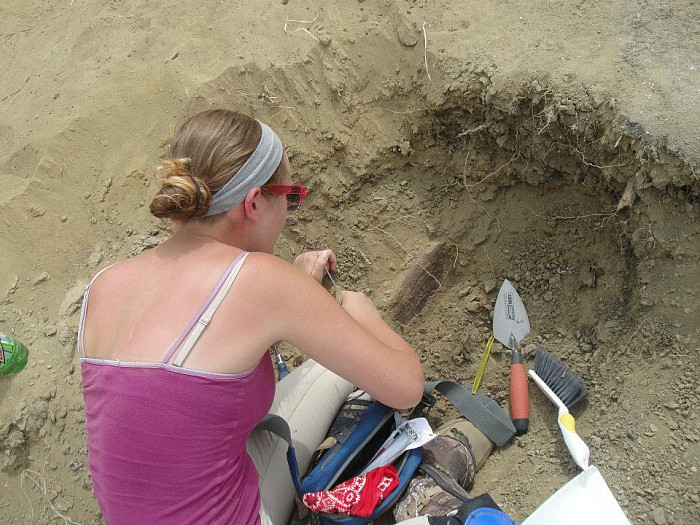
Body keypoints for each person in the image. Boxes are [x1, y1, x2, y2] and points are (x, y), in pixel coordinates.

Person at [77, 109, 424, 524]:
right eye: (289, 196)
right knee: (347, 376)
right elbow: (405, 388)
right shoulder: (262, 281)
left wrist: (295, 295)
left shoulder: (104, 284)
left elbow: (194, 383)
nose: (289, 210)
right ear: (255, 201)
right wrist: (361, 315)